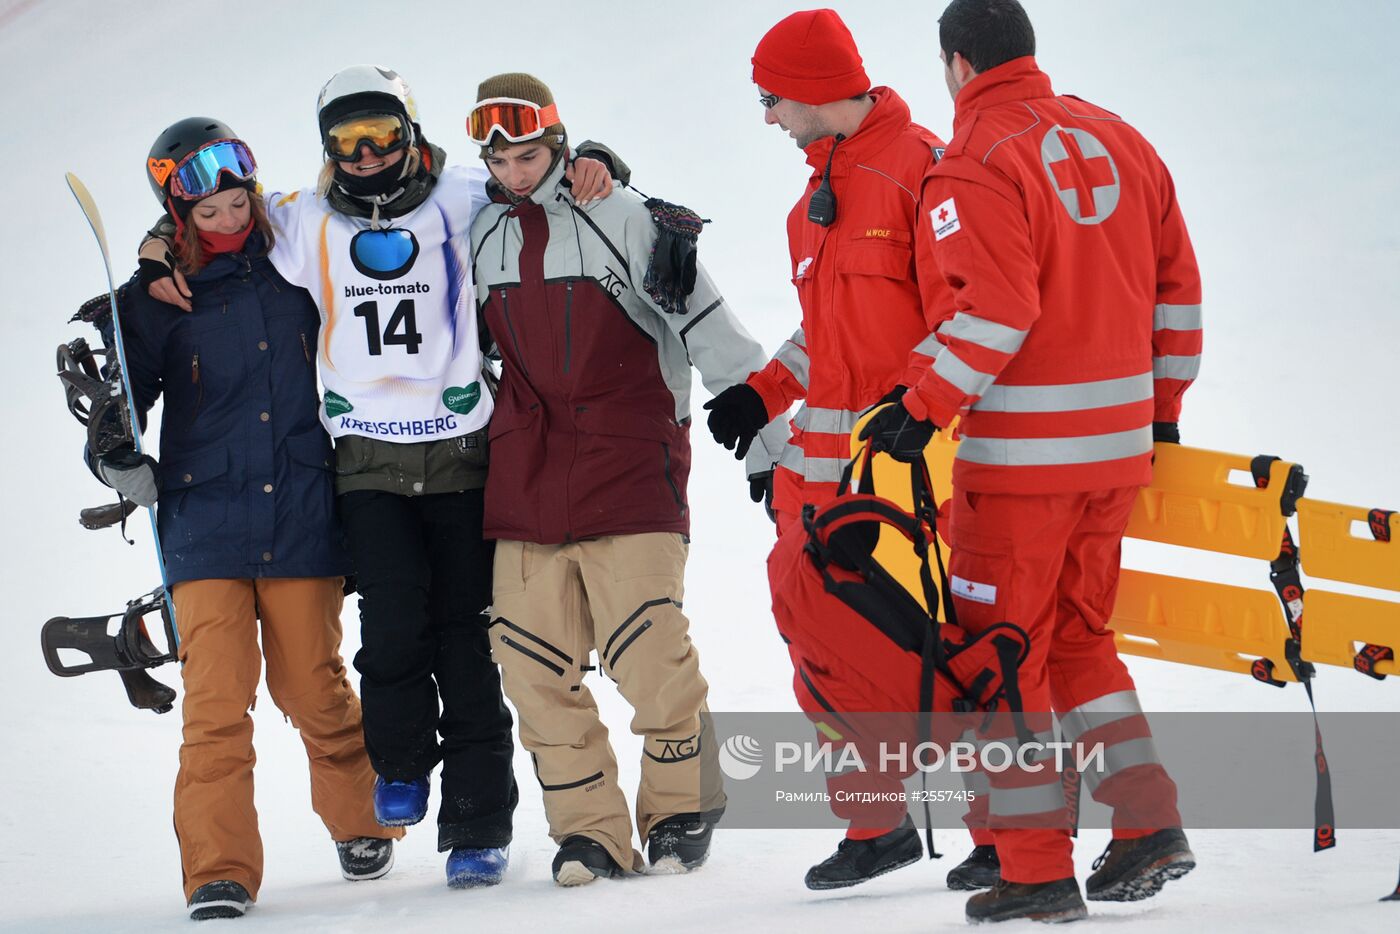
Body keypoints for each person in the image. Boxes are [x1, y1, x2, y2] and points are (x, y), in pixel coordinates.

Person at [138, 66, 622, 889]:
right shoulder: (300, 221)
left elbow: (533, 180)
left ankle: (476, 819)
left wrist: (596, 158)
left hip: (453, 456)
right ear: (326, 147)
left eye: (382, 135)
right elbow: (211, 245)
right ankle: (385, 777)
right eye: (346, 141)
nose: (365, 155)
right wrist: (156, 249)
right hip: (359, 467)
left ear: (409, 129)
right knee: (387, 631)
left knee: (462, 644)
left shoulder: (462, 193)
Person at [858, 0, 1203, 922]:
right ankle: (1145, 825)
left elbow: (996, 309)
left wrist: (919, 405)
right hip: (1118, 457)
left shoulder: (970, 160)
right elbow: (1178, 296)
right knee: (1082, 640)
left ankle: (1037, 870)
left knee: (997, 661)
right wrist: (1158, 416)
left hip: (1019, 470)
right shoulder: (1125, 139)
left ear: (957, 64)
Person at [467, 72, 787, 886]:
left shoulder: (631, 217)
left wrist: (771, 447)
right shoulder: (477, 234)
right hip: (527, 472)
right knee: (531, 664)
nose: (515, 174)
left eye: (531, 154)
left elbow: (713, 332)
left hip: (630, 457)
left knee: (647, 648)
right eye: (499, 162)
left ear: (560, 141)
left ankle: (682, 805)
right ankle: (590, 833)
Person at [102, 117, 402, 921]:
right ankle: (219, 870)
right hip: (203, 522)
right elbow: (112, 397)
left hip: (303, 508)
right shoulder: (159, 297)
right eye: (208, 213)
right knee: (215, 705)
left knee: (312, 686)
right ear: (178, 219)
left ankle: (361, 821)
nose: (230, 220)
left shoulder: (298, 260)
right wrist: (113, 453)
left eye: (237, 201)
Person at [702, 8, 968, 890]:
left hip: (903, 468)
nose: (768, 116)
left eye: (774, 98)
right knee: (815, 640)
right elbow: (826, 333)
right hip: (815, 482)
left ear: (816, 89)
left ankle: (1004, 831)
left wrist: (911, 420)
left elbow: (955, 323)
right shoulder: (809, 202)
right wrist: (763, 392)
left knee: (932, 638)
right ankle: (873, 822)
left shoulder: (922, 170)